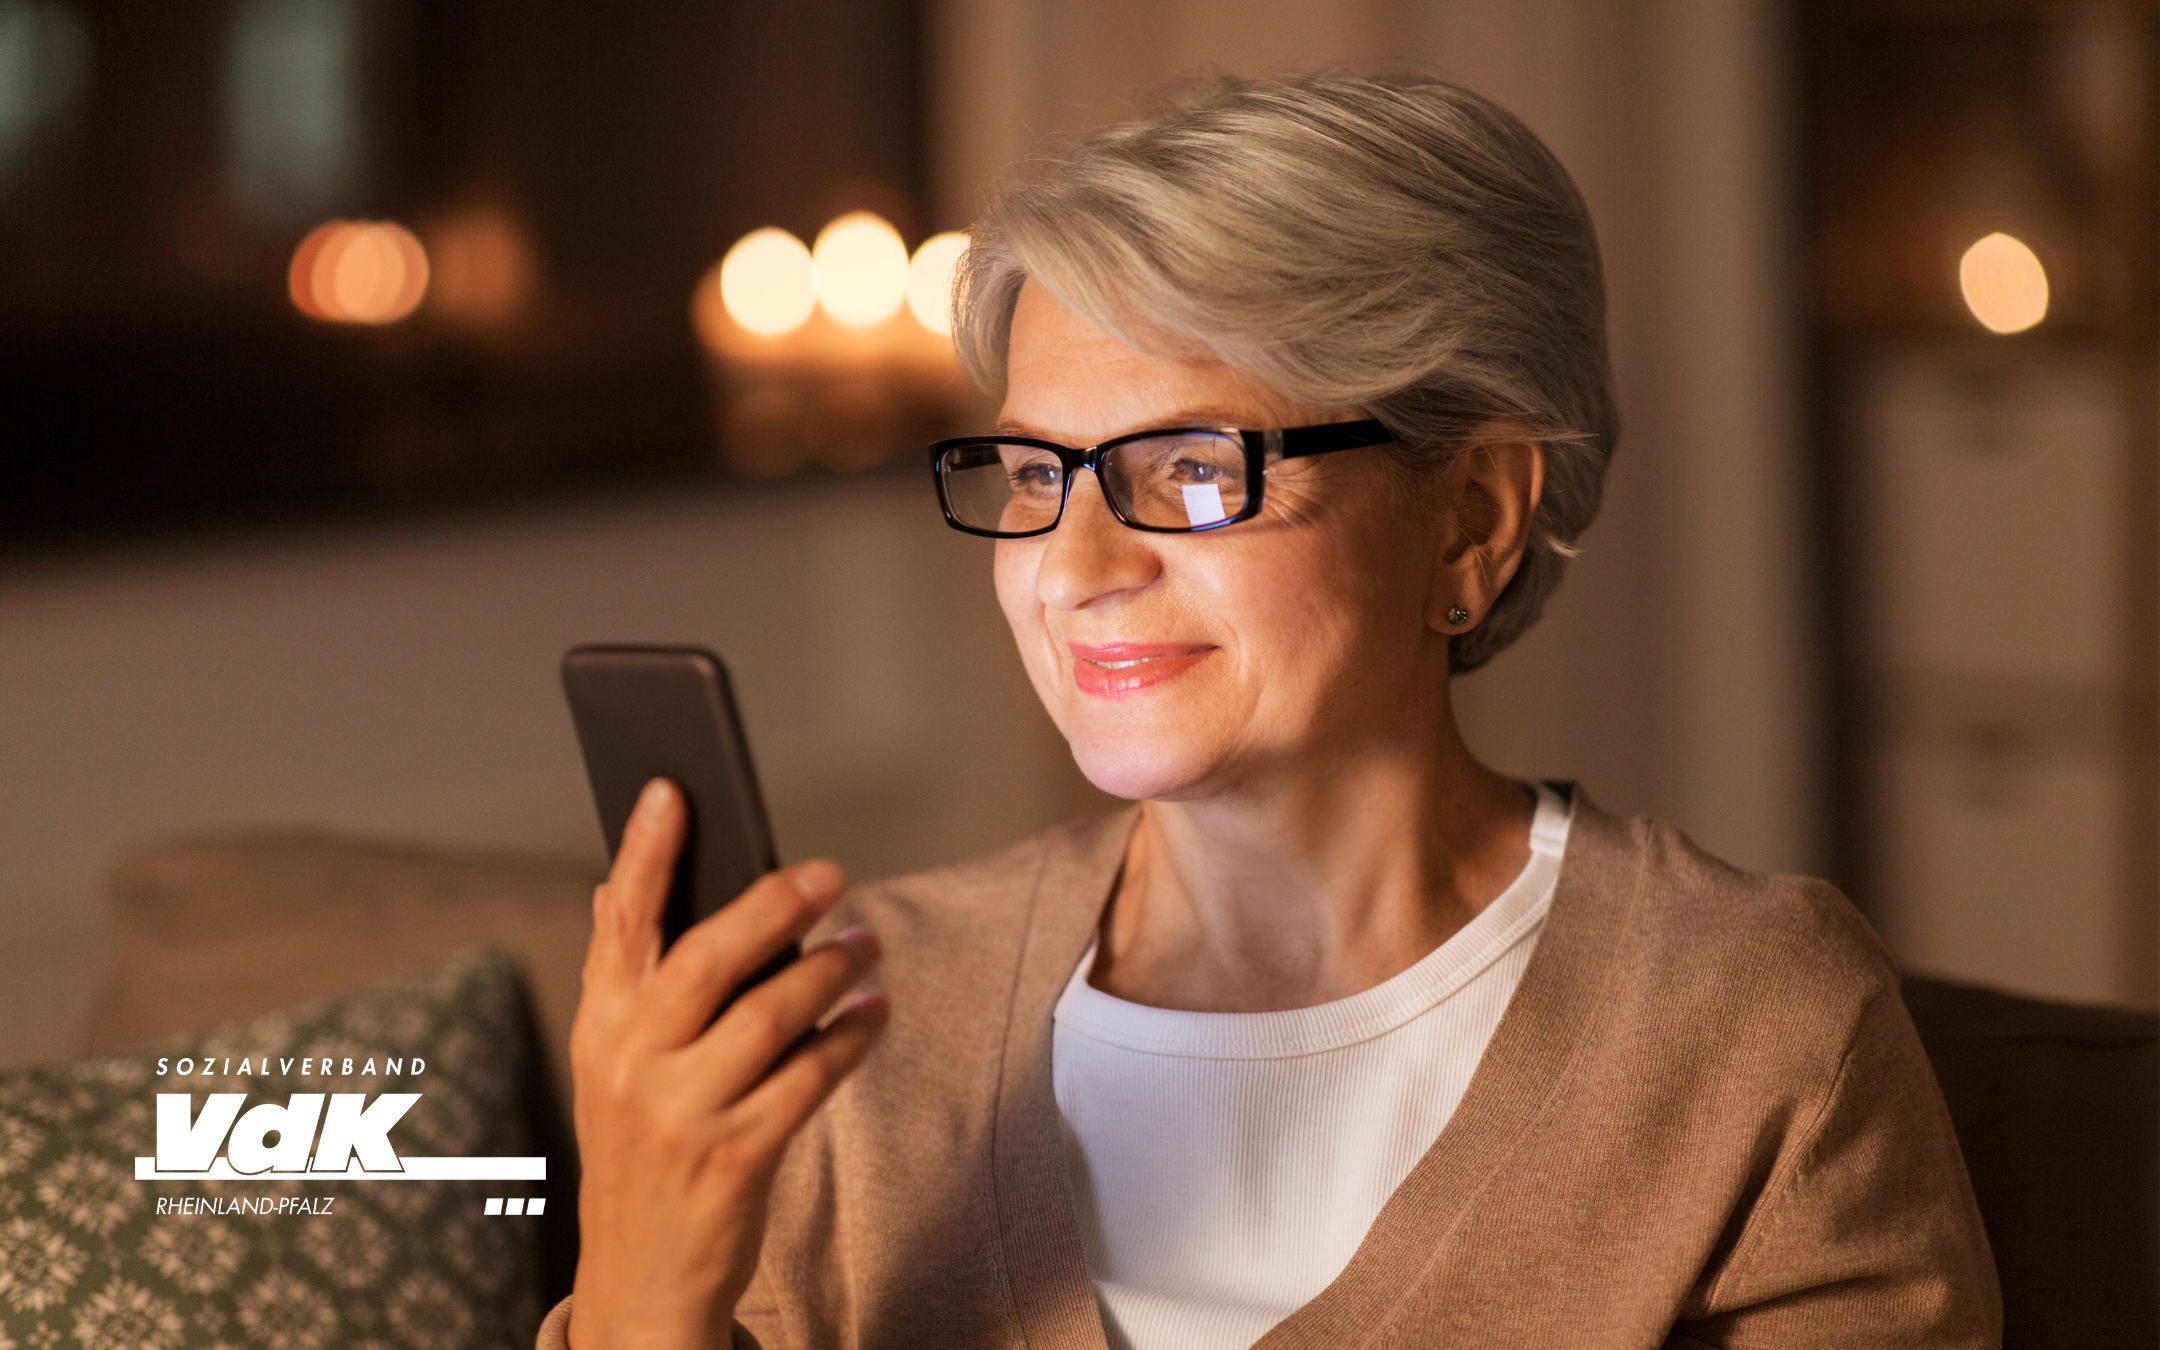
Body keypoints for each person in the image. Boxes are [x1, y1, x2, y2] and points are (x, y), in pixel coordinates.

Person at [543, 75, 2000, 1350]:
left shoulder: (1750, 1027)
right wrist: (640, 1286)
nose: (1075, 571)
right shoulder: (863, 1017)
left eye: (1189, 468)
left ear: (1473, 519)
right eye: (1036, 472)